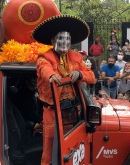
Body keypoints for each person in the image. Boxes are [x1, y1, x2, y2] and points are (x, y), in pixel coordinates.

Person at [32, 15, 96, 165]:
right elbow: (43, 68)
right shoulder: (44, 56)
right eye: (61, 39)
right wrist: (52, 75)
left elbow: (92, 76)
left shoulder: (76, 57)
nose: (65, 42)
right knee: (50, 147)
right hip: (52, 111)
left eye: (67, 39)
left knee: (72, 146)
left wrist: (80, 74)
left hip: (73, 112)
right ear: (53, 40)